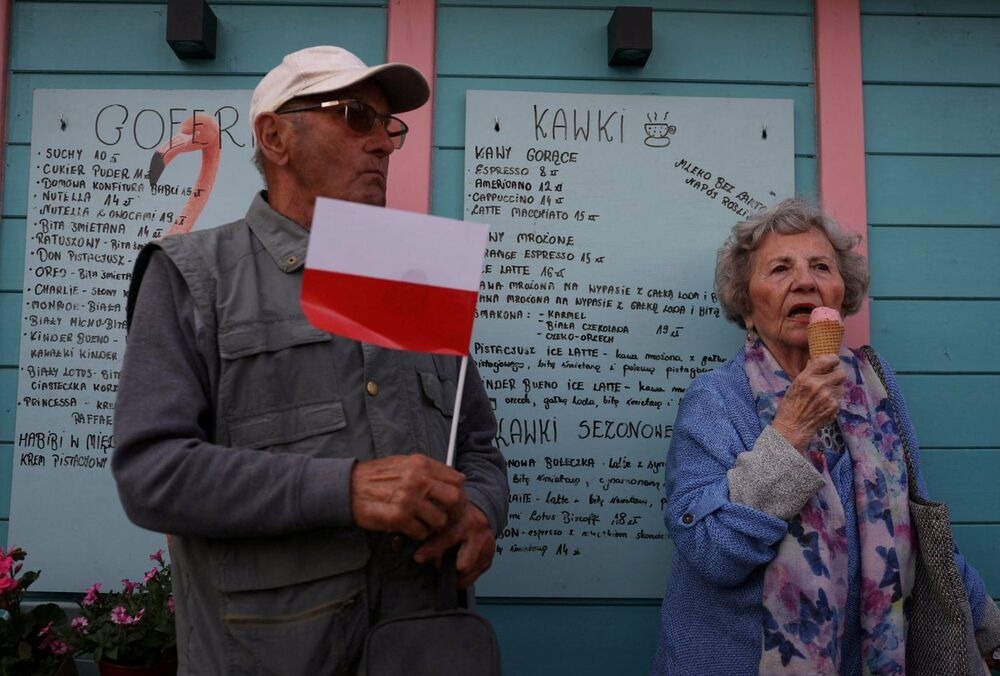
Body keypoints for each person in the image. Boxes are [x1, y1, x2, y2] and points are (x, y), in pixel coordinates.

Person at [112, 46, 508, 675]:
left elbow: (477, 443)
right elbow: (151, 472)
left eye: (389, 126)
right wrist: (343, 489)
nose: (382, 143)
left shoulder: (413, 276)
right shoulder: (194, 276)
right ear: (275, 137)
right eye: (356, 116)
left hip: (421, 648)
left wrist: (482, 509)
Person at [651, 198, 1000, 675]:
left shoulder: (877, 388)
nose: (805, 280)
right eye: (779, 268)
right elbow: (710, 551)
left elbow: (917, 528)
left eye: (821, 266)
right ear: (747, 307)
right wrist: (790, 430)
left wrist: (987, 629)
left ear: (841, 294)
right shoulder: (714, 399)